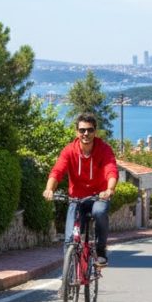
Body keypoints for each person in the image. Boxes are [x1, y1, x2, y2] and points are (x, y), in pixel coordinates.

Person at [43, 113, 119, 267]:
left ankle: (100, 250)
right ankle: (66, 279)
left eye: (90, 130)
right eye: (82, 130)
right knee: (70, 238)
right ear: (76, 131)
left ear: (95, 131)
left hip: (98, 197)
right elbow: (57, 171)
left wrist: (109, 189)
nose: (86, 134)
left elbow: (111, 170)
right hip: (76, 199)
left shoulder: (104, 149)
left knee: (99, 212)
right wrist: (49, 189)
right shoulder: (69, 150)